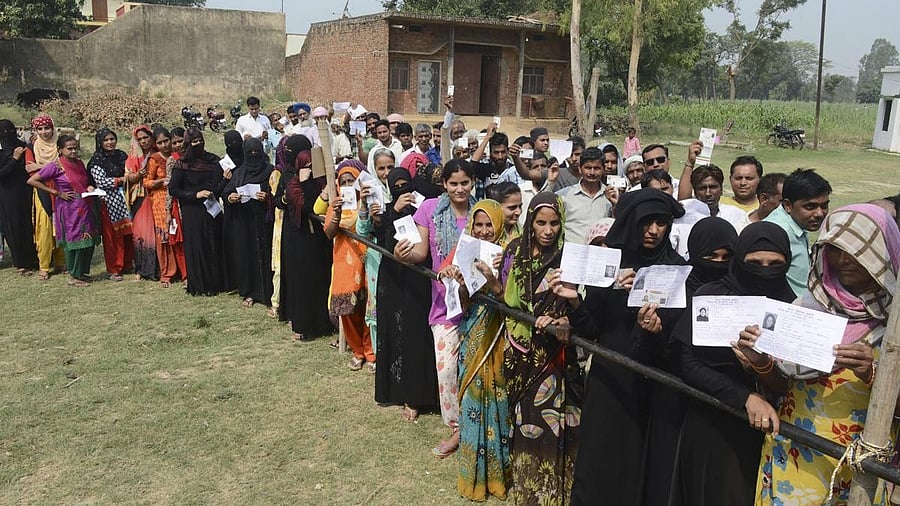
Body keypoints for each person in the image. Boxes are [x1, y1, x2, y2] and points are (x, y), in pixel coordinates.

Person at [754, 204, 900, 505]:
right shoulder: (806, 307)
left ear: (883, 254)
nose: (844, 260)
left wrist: (872, 374)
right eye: (835, 249)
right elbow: (782, 386)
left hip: (862, 461)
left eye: (857, 250)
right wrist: (759, 361)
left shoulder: (895, 324)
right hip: (796, 452)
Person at [568, 188, 686, 506]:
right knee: (602, 453)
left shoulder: (675, 267)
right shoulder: (611, 262)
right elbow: (591, 328)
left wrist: (656, 329)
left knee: (646, 457)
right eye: (646, 222)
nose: (653, 231)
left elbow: (677, 336)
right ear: (631, 222)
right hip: (611, 375)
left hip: (656, 379)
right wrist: (576, 302)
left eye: (661, 223)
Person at [674, 221, 796, 506]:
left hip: (775, 430)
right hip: (713, 422)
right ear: (740, 260)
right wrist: (744, 397)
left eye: (774, 264)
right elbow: (686, 361)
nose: (765, 270)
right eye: (755, 263)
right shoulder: (712, 297)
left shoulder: (793, 307)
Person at [502, 192, 580, 504]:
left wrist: (562, 318)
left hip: (556, 354)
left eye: (554, 223)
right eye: (541, 223)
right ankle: (529, 490)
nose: (548, 230)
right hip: (521, 351)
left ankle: (558, 489)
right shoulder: (514, 251)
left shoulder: (569, 258)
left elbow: (578, 305)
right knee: (527, 421)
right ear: (530, 222)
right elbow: (506, 297)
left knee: (556, 420)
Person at [395, 158, 476, 458]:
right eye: (453, 183)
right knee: (447, 369)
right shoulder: (430, 209)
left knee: (475, 370)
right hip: (444, 306)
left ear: (473, 183)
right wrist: (402, 254)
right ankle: (456, 427)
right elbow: (420, 253)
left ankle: (477, 425)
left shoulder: (482, 212)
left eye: (465, 183)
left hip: (477, 304)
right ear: (444, 184)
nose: (459, 189)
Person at [446, 199, 511, 501]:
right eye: (479, 225)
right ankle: (472, 477)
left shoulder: (508, 255)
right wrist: (460, 282)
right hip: (472, 335)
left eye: (489, 225)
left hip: (497, 339)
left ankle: (498, 476)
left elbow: (512, 301)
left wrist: (493, 279)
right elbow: (462, 303)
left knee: (497, 402)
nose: (484, 231)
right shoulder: (465, 252)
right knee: (471, 400)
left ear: (499, 225)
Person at [374, 167, 438, 421]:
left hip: (420, 280)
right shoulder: (388, 210)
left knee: (418, 335)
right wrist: (394, 212)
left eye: (405, 184)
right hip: (394, 282)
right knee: (397, 334)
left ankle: (425, 394)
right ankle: (403, 393)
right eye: (396, 186)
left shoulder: (425, 205)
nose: (403, 190)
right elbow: (384, 241)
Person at [274, 134, 334, 340]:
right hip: (296, 234)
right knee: (299, 279)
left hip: (318, 236)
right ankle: (300, 321)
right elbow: (281, 200)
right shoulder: (289, 175)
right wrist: (290, 195)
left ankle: (323, 322)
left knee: (319, 278)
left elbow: (315, 204)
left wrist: (309, 183)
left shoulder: (320, 176)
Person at [27, 135, 101, 287]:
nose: (73, 151)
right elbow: (32, 180)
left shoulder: (79, 163)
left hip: (84, 207)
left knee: (87, 241)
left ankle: (82, 273)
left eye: (75, 148)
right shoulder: (56, 166)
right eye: (69, 149)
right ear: (60, 150)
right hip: (68, 210)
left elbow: (85, 182)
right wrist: (56, 193)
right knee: (74, 241)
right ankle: (74, 276)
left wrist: (89, 187)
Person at [323, 163, 374, 370]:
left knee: (369, 307)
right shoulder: (335, 206)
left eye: (350, 181)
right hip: (344, 262)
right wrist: (336, 212)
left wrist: (365, 204)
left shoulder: (368, 201)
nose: (346, 185)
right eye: (343, 182)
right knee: (348, 309)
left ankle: (371, 353)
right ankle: (357, 351)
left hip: (366, 259)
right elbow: (329, 233)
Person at [168, 128, 228, 296]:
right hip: (193, 211)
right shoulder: (182, 165)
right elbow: (174, 189)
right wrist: (195, 194)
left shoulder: (212, 160)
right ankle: (201, 284)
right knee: (198, 246)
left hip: (212, 210)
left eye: (200, 140)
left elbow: (217, 186)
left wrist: (225, 181)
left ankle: (217, 283)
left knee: (214, 243)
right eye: (194, 142)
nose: (198, 144)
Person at [764, 168, 832, 297]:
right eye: (810, 207)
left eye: (824, 206)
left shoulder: (796, 224)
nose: (819, 214)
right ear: (788, 205)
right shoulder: (777, 233)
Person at [222, 138, 274, 309]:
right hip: (244, 222)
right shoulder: (239, 173)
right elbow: (227, 192)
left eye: (256, 152)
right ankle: (250, 292)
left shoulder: (270, 171)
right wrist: (231, 197)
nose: (253, 155)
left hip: (264, 222)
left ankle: (268, 292)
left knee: (266, 256)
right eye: (250, 152)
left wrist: (267, 198)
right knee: (247, 256)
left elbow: (277, 193)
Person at [87, 128, 134, 281]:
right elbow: (101, 181)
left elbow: (130, 170)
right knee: (112, 236)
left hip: (125, 199)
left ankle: (127, 263)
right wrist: (121, 180)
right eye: (106, 140)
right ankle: (114, 268)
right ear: (100, 142)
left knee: (128, 232)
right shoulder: (97, 160)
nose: (109, 142)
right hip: (108, 202)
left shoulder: (121, 155)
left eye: (112, 139)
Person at [24, 115, 65, 279]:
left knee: (61, 224)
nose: (44, 132)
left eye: (47, 128)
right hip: (42, 190)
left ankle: (61, 262)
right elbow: (30, 171)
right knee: (44, 228)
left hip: (61, 189)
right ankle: (44, 266)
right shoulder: (31, 147)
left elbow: (65, 166)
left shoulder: (60, 144)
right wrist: (52, 167)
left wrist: (40, 166)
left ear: (53, 128)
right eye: (39, 129)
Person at [145, 127, 186, 287]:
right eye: (160, 143)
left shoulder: (178, 155)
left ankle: (183, 272)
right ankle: (167, 273)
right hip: (160, 200)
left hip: (178, 198)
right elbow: (146, 182)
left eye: (166, 141)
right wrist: (160, 182)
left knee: (179, 234)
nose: (164, 145)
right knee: (164, 236)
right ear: (155, 144)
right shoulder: (154, 159)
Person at [0, 119, 39, 275]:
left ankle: (35, 258)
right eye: (4, 132)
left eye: (10, 131)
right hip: (7, 194)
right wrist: (14, 159)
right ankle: (21, 262)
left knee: (30, 224)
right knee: (14, 226)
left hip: (27, 190)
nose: (8, 135)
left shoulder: (23, 146)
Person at [556, 147, 612, 245]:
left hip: (600, 252)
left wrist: (615, 205)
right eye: (588, 168)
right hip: (572, 252)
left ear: (603, 169)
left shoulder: (611, 196)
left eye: (597, 168)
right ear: (580, 169)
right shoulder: (563, 196)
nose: (592, 173)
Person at [125, 125, 159, 281]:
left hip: (157, 196)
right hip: (140, 198)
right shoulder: (133, 157)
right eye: (140, 139)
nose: (144, 141)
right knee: (141, 233)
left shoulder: (159, 152)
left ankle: (157, 269)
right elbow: (128, 177)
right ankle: (142, 268)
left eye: (146, 137)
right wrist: (139, 174)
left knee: (156, 232)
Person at [687, 164, 749, 233]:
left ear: (721, 189)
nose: (708, 193)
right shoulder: (686, 218)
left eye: (713, 187)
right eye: (702, 188)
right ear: (695, 191)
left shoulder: (736, 216)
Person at [484, 181, 522, 247]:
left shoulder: (523, 233)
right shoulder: (485, 234)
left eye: (520, 206)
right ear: (496, 207)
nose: (518, 212)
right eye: (512, 208)